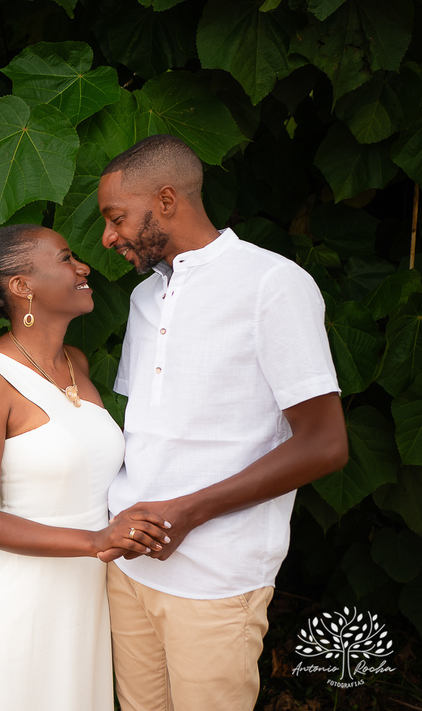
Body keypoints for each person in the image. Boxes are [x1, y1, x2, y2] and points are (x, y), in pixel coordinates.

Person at [96, 134, 348, 711]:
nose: (108, 238)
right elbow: (149, 434)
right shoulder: (144, 300)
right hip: (130, 568)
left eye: (117, 218)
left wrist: (188, 512)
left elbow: (327, 444)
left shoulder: (272, 284)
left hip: (217, 575)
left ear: (166, 200)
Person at [0, 222, 171, 711]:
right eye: (65, 258)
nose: (83, 266)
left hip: (86, 598)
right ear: (22, 286)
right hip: (21, 602)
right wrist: (95, 542)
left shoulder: (76, 362)